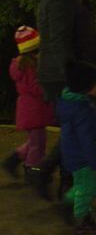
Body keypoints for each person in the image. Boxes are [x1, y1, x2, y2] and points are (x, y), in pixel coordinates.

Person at [32, 0, 96, 199]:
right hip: (64, 76)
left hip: (66, 72)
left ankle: (60, 180)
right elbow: (60, 41)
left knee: (73, 129)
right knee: (77, 128)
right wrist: (75, 76)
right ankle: (57, 178)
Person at [57, 60, 96, 235]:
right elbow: (87, 139)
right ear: (87, 86)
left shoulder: (70, 103)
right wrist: (95, 159)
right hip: (83, 158)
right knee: (90, 188)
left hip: (73, 155)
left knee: (82, 186)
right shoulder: (83, 109)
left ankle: (69, 204)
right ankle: (81, 219)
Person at [3, 27, 55, 180]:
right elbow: (36, 87)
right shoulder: (30, 66)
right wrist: (49, 90)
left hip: (29, 108)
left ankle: (13, 160)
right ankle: (32, 169)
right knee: (38, 144)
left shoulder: (21, 65)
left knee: (35, 140)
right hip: (34, 109)